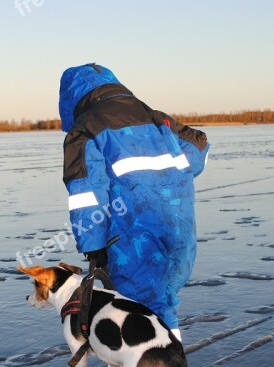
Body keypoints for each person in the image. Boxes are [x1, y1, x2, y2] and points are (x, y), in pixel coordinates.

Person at [59, 63, 209, 341]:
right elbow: (199, 147)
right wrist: (168, 180)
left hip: (133, 235)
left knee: (141, 309)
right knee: (164, 302)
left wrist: (93, 247)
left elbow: (86, 195)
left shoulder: (85, 131)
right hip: (179, 228)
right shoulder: (155, 117)